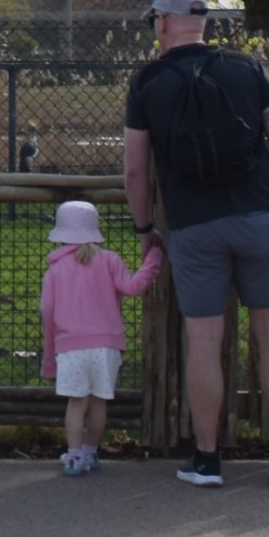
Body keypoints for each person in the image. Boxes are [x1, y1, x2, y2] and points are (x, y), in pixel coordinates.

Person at [122, 0, 269, 488]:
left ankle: (206, 460)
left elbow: (136, 172)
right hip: (259, 217)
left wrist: (145, 228)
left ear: (163, 22)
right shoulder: (248, 68)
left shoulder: (146, 84)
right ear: (203, 21)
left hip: (192, 226)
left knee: (204, 341)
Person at [38, 198, 161, 475]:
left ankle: (73, 456)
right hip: (106, 346)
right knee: (98, 403)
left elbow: (47, 311)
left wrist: (50, 355)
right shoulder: (109, 261)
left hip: (71, 347)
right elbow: (133, 287)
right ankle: (92, 452)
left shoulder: (55, 270)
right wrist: (153, 258)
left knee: (76, 403)